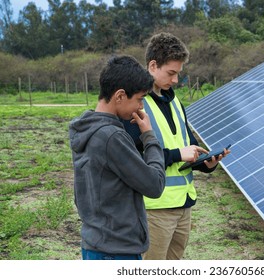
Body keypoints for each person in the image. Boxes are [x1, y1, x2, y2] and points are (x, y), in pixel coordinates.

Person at [121, 32, 230, 260]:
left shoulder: (175, 101)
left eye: (178, 74)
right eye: (171, 73)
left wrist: (206, 163)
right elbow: (131, 159)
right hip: (155, 209)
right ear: (153, 66)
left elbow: (188, 147)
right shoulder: (135, 104)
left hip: (184, 205)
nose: (175, 80)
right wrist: (179, 154)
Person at [68, 55, 165, 260]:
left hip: (95, 243)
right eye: (139, 99)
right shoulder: (112, 137)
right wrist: (149, 136)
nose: (140, 107)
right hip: (116, 251)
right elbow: (154, 185)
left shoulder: (86, 129)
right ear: (120, 96)